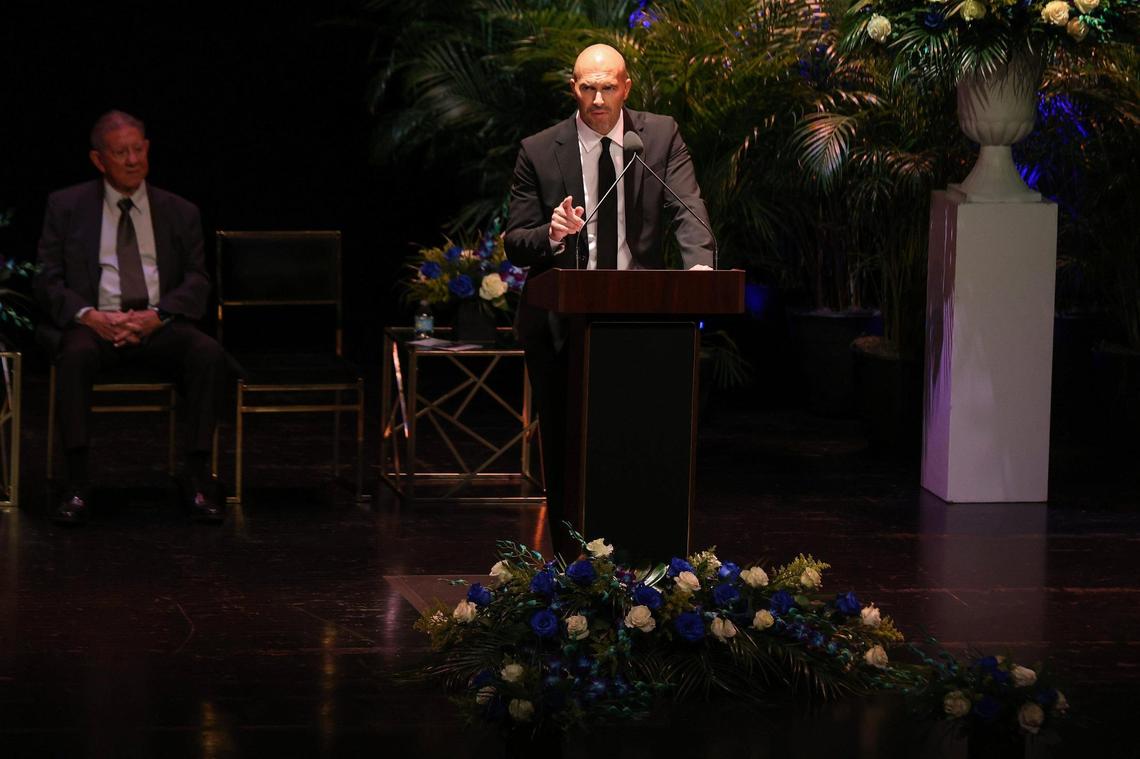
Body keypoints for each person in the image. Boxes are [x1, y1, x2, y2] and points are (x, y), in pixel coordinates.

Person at [504, 44, 714, 557]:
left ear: (627, 87)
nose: (598, 98)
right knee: (566, 443)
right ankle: (572, 564)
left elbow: (688, 208)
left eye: (608, 87)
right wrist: (553, 234)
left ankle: (648, 558)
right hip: (560, 320)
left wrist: (701, 269)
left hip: (642, 317)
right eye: (587, 87)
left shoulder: (657, 136)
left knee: (642, 440)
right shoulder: (539, 149)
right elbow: (515, 240)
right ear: (573, 88)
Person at [35, 110, 227, 525]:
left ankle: (196, 477)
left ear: (148, 150)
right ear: (98, 160)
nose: (132, 160)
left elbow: (197, 278)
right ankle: (77, 482)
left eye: (138, 149)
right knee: (74, 356)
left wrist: (158, 315)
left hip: (158, 324)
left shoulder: (181, 211)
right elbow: (47, 280)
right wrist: (89, 316)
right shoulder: (66, 206)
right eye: (120, 152)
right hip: (96, 326)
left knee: (207, 353)